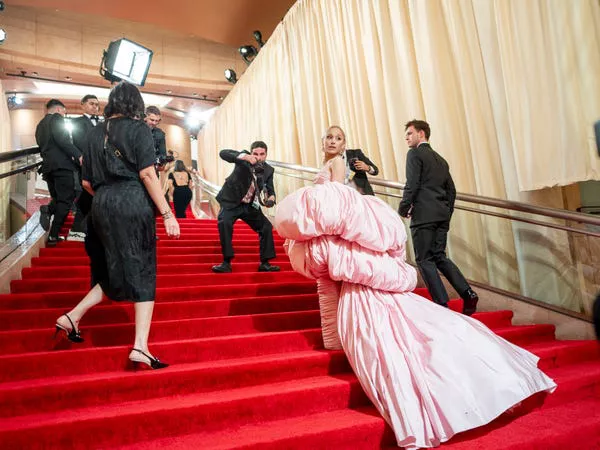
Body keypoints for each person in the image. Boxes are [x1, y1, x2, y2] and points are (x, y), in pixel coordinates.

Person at [274, 125, 556, 449]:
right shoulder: (434, 159)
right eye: (328, 138)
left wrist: (398, 208)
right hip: (429, 215)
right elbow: (447, 190)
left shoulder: (344, 165)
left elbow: (343, 200)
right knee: (436, 259)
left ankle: (451, 299)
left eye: (337, 138)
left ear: (345, 143)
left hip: (377, 220)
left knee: (428, 262)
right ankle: (463, 294)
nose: (332, 142)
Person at [53, 81, 180, 370]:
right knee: (143, 271)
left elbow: (85, 182)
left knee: (113, 271)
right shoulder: (139, 130)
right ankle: (140, 346)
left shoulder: (94, 133)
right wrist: (168, 214)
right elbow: (148, 173)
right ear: (135, 104)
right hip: (132, 201)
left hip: (100, 204)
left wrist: (108, 199)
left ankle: (72, 316)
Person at [398, 119, 479, 315]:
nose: (406, 138)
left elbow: (412, 184)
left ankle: (442, 304)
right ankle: (467, 293)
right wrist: (446, 213)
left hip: (424, 216)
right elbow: (451, 191)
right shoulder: (440, 159)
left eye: (409, 133)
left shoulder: (414, 154)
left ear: (421, 134)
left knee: (424, 259)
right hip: (441, 216)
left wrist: (403, 208)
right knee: (439, 257)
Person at [212, 141, 279, 273]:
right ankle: (226, 262)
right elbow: (223, 153)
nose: (259, 157)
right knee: (224, 223)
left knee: (266, 227)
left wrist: (271, 198)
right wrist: (245, 156)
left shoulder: (269, 170)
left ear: (266, 154)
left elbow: (270, 190)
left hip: (250, 205)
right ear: (251, 152)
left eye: (262, 154)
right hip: (232, 201)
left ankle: (265, 263)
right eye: (255, 154)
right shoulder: (243, 159)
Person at [35, 99, 82, 246]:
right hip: (62, 166)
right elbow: (62, 140)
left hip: (48, 168)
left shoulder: (40, 125)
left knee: (58, 198)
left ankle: (48, 210)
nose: (64, 114)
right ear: (58, 110)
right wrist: (78, 155)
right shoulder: (56, 119)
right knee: (66, 200)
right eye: (63, 111)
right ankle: (53, 234)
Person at [68, 94, 101, 242]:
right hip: (86, 165)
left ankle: (85, 229)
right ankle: (77, 229)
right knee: (87, 194)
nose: (95, 106)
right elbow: (79, 143)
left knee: (94, 196)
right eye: (92, 103)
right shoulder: (77, 122)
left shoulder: (102, 123)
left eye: (97, 104)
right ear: (83, 105)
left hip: (101, 166)